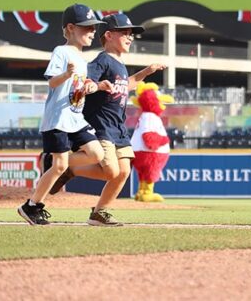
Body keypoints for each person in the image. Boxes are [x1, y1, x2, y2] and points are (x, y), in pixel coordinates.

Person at [49, 13, 166, 226]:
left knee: (123, 171)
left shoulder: (120, 64)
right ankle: (67, 165)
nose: (130, 37)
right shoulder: (103, 60)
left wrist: (147, 72)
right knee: (111, 171)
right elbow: (88, 80)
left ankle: (99, 212)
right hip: (101, 125)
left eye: (131, 34)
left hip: (118, 128)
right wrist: (92, 85)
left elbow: (128, 84)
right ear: (109, 35)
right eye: (125, 33)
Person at [17, 4, 106, 225]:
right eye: (87, 27)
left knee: (97, 154)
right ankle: (31, 206)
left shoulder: (82, 58)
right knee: (59, 166)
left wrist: (92, 86)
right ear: (71, 28)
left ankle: (53, 161)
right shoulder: (61, 51)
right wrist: (66, 74)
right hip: (58, 119)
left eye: (93, 28)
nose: (92, 31)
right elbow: (52, 82)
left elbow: (78, 86)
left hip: (75, 117)